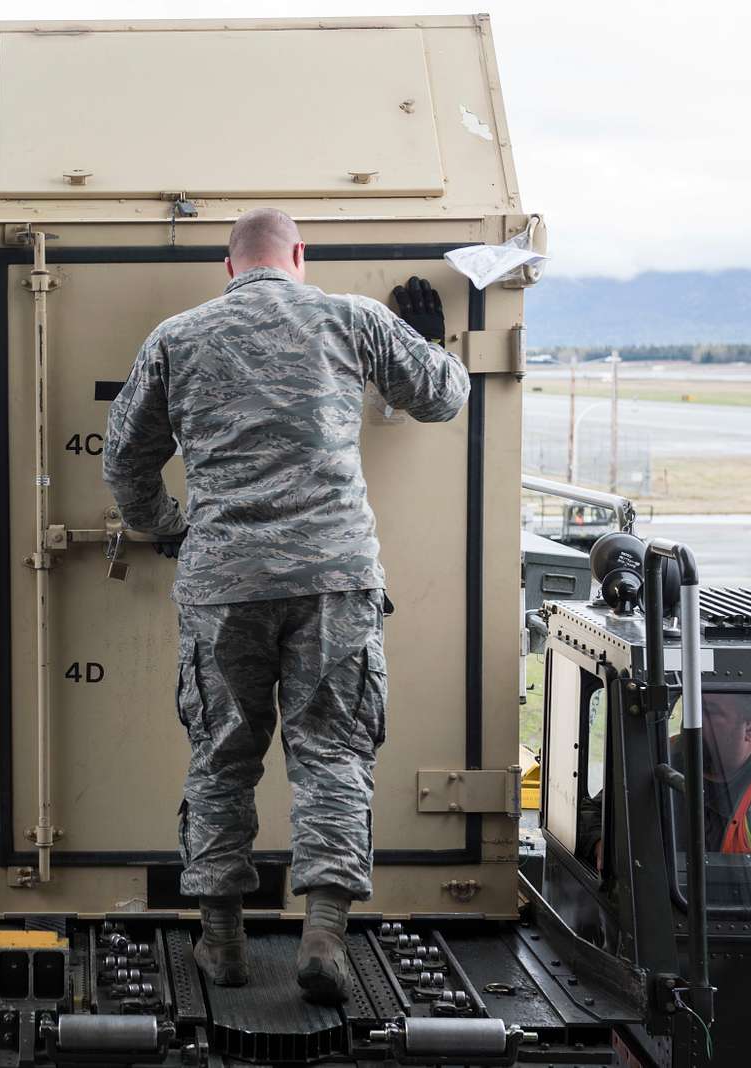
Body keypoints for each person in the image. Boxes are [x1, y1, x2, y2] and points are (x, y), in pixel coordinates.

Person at [101, 207, 470, 1004]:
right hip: (334, 580)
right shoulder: (354, 318)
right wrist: (431, 343)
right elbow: (444, 398)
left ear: (227, 265)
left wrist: (171, 526)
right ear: (299, 255)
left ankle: (223, 942)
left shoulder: (177, 337)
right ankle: (324, 936)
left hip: (224, 582)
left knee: (222, 757)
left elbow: (125, 463)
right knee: (333, 755)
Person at [579, 693, 751, 865]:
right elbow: (594, 810)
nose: (691, 723)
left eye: (709, 712)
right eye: (692, 708)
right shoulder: (665, 758)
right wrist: (601, 842)